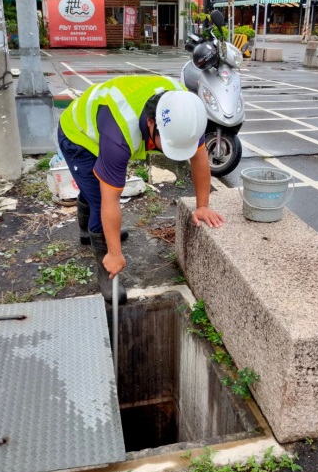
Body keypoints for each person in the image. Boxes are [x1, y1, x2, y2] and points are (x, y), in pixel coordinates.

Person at [57, 75, 225, 305]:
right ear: (150, 124)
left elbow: (199, 158)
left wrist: (203, 205)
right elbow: (110, 200)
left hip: (104, 128)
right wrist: (116, 253)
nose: (169, 153)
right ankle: (106, 266)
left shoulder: (184, 114)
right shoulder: (119, 133)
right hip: (78, 136)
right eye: (167, 146)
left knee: (95, 189)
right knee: (98, 196)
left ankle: (91, 233)